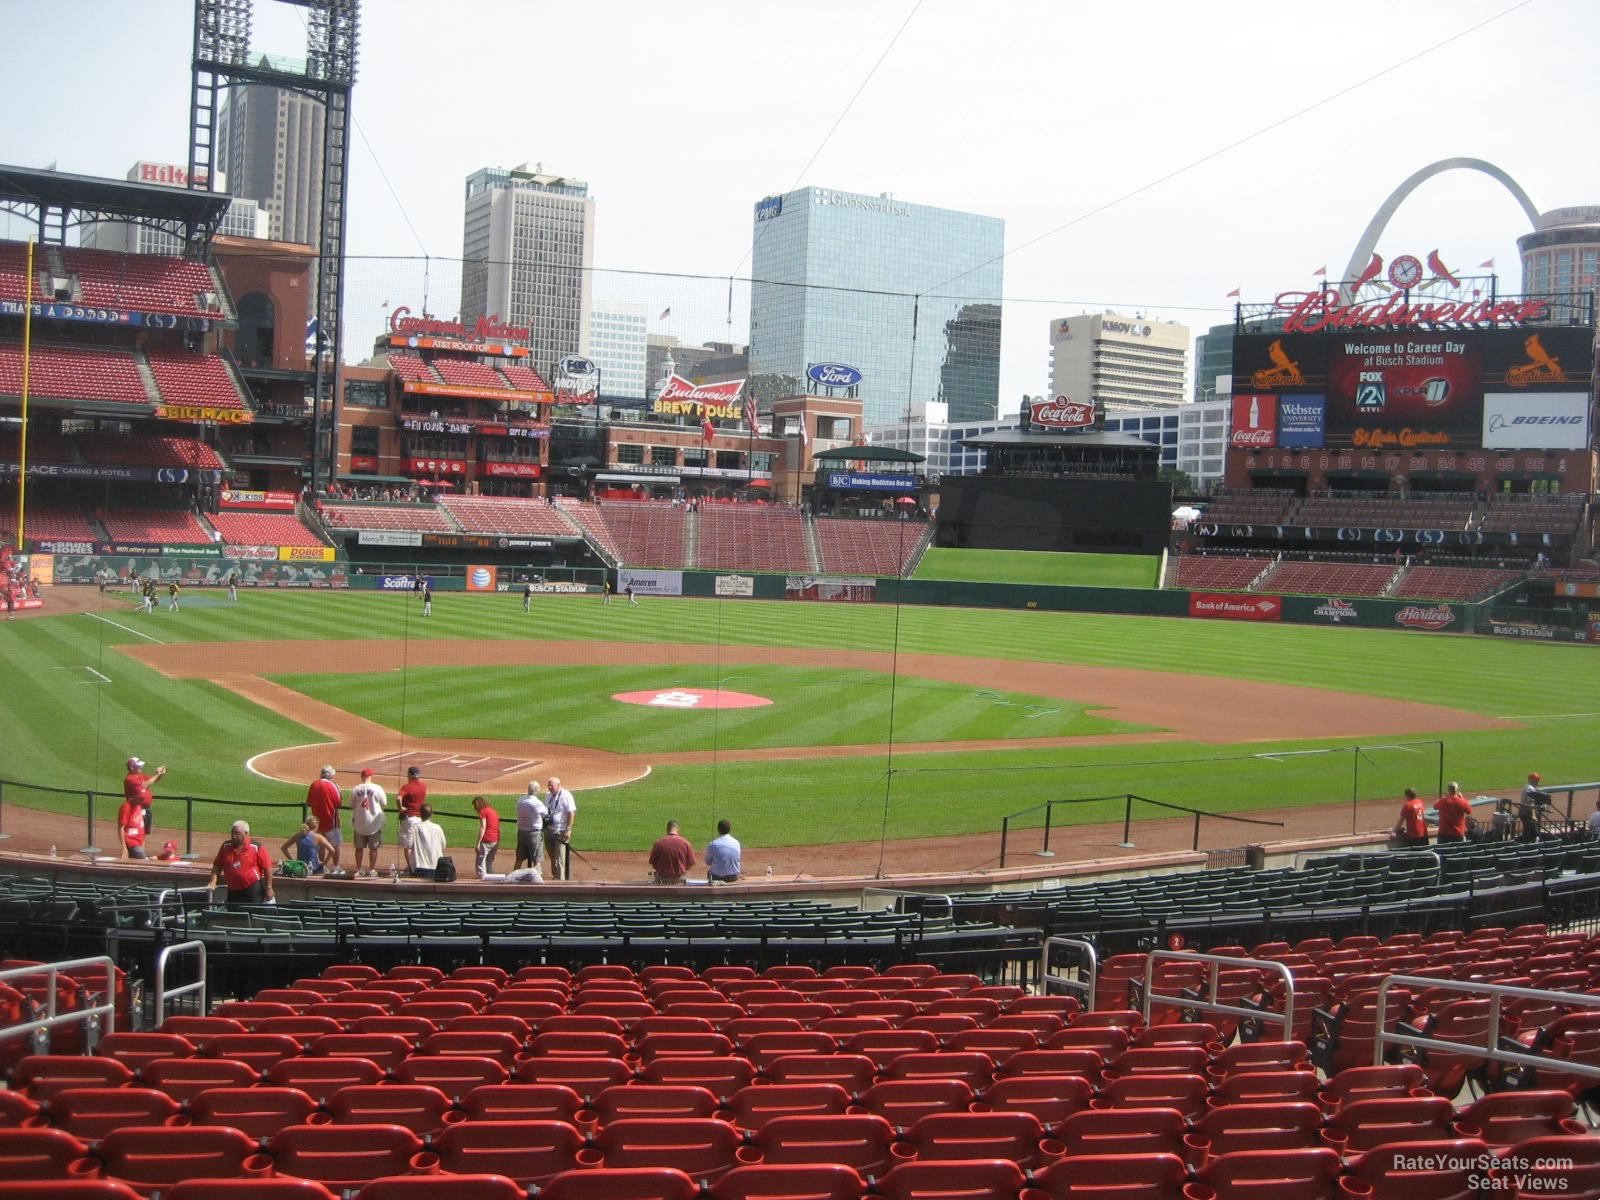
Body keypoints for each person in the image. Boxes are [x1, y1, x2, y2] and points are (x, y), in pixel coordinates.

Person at [207, 820, 275, 909]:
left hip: (252, 889)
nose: (234, 836)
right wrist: (213, 881)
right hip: (233, 890)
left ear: (246, 834)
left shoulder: (256, 847)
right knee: (233, 917)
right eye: (232, 833)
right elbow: (217, 865)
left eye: (237, 833)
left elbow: (267, 868)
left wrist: (269, 887)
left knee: (252, 916)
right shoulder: (226, 846)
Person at [304, 765, 345, 873]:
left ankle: (321, 866)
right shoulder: (333, 786)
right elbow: (339, 803)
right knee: (335, 844)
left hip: (317, 821)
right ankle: (336, 867)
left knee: (321, 844)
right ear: (330, 775)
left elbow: (309, 802)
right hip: (331, 820)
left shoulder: (314, 785)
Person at [349, 767, 388, 877]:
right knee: (373, 848)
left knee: (359, 848)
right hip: (374, 823)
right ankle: (372, 869)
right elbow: (384, 803)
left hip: (359, 822)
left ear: (362, 777)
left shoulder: (355, 789)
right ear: (371, 776)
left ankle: (358, 869)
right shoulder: (377, 788)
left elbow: (351, 805)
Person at [543, 777, 576, 881]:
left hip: (560, 831)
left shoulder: (566, 795)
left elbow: (571, 812)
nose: (549, 787)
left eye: (551, 785)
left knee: (560, 858)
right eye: (548, 785)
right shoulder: (547, 796)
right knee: (552, 856)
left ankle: (561, 880)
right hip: (548, 830)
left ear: (558, 785)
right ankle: (555, 876)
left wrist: (568, 829)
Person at [124, 756, 165, 837]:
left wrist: (161, 774)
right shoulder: (130, 778)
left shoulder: (140, 776)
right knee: (136, 832)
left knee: (144, 833)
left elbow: (153, 780)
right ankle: (133, 848)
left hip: (146, 808)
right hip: (136, 809)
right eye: (138, 766)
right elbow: (145, 784)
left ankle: (140, 849)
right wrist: (157, 774)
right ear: (132, 767)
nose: (141, 767)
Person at [405, 804, 447, 879]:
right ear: (431, 814)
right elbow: (443, 845)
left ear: (420, 814)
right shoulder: (438, 828)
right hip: (436, 867)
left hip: (419, 867)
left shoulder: (414, 828)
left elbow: (408, 846)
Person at [648, 820, 696, 884]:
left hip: (661, 880)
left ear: (667, 830)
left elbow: (653, 863)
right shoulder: (686, 843)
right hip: (679, 880)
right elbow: (690, 865)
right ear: (678, 830)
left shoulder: (658, 843)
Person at [514, 782, 547, 873]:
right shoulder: (537, 803)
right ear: (537, 791)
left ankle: (513, 877)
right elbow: (546, 813)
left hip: (521, 832)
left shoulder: (520, 800)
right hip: (534, 834)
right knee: (536, 859)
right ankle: (537, 878)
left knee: (519, 859)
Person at [473, 795, 502, 878]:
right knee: (489, 861)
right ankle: (490, 877)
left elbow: (483, 827)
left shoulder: (483, 812)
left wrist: (478, 843)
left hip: (487, 839)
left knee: (480, 861)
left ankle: (482, 880)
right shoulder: (493, 811)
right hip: (495, 839)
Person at [1520, 772, 1549, 842]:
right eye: (1537, 779)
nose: (1539, 781)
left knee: (1528, 832)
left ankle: (1527, 846)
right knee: (1533, 833)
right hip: (1528, 813)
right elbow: (1531, 803)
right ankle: (1529, 847)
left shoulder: (1527, 786)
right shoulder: (1530, 788)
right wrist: (1533, 815)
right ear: (1532, 780)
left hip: (1524, 812)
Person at [117, 794, 147, 860]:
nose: (141, 801)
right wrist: (124, 847)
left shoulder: (139, 805)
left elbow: (141, 824)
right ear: (134, 796)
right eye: (140, 799)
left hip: (139, 842)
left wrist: (143, 842)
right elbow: (121, 827)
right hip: (131, 842)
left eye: (142, 799)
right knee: (143, 860)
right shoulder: (126, 807)